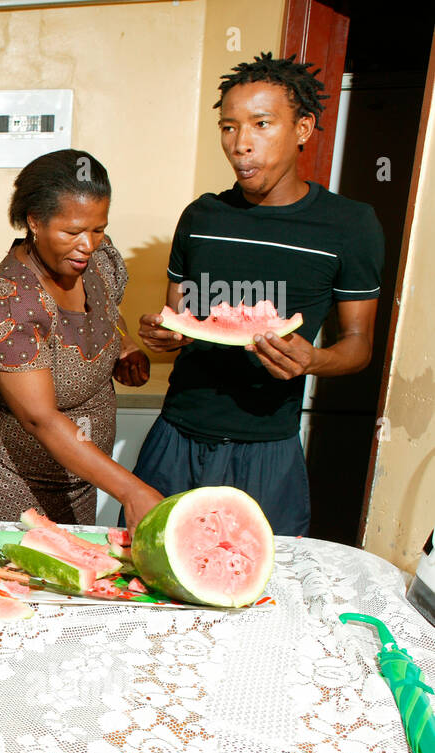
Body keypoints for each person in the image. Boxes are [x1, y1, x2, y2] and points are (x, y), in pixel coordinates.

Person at [135, 53, 384, 536]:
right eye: (229, 127)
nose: (241, 144)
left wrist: (313, 361)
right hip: (176, 435)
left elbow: (359, 346)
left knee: (258, 592)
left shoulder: (350, 225)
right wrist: (163, 335)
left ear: (304, 128)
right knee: (150, 578)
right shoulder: (201, 217)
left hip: (268, 448)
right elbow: (181, 319)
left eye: (261, 124)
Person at [0, 150, 161, 529]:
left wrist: (123, 345)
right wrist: (130, 490)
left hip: (78, 480)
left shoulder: (90, 259)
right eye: (73, 231)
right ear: (34, 221)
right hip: (9, 487)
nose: (89, 244)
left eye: (98, 229)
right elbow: (41, 418)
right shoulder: (6, 302)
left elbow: (107, 306)